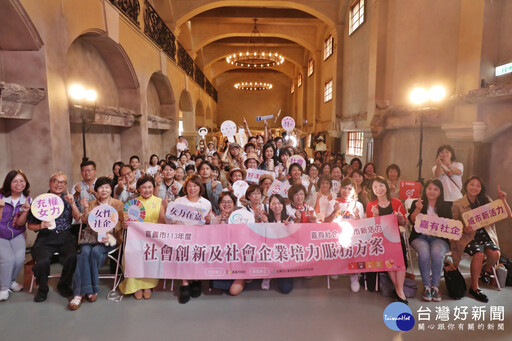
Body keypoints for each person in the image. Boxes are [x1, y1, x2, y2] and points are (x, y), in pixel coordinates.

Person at [451, 176, 511, 302]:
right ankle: (475, 287)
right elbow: (453, 225)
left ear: (481, 188)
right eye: (472, 184)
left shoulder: (486, 200)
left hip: (485, 236)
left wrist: (503, 200)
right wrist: (463, 229)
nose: (474, 187)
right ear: (466, 186)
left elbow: (508, 214)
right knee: (478, 254)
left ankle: (486, 268)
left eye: (478, 185)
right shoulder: (457, 203)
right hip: (468, 238)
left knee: (496, 254)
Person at [68, 176, 125, 310]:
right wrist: (85, 208)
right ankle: (85, 291)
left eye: (107, 187)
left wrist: (109, 231)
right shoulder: (92, 203)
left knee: (95, 252)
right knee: (84, 252)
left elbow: (120, 224)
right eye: (100, 187)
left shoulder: (117, 204)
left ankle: (82, 291)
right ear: (96, 190)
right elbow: (84, 222)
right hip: (91, 238)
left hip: (109, 239)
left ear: (111, 189)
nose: (103, 190)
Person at [27, 172, 81, 302]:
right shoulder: (40, 201)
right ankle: (43, 289)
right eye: (56, 181)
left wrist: (73, 203)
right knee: (42, 261)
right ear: (50, 182)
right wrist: (40, 226)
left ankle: (63, 284)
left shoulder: (69, 198)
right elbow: (30, 225)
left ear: (66, 185)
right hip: (45, 237)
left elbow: (77, 217)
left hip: (65, 236)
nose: (59, 184)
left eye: (62, 182)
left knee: (73, 256)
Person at [119, 175, 165, 300]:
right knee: (132, 252)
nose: (147, 190)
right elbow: (126, 222)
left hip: (153, 239)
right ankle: (136, 286)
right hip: (135, 239)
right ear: (138, 189)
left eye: (150, 187)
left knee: (151, 254)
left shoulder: (159, 201)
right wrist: (125, 225)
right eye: (143, 187)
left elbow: (162, 222)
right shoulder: (133, 203)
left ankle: (148, 285)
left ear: (153, 187)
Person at [168, 175, 212, 304]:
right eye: (189, 186)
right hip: (182, 236)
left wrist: (208, 221)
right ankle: (185, 283)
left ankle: (197, 281)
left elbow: (208, 224)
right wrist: (173, 219)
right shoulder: (179, 201)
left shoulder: (205, 203)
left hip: (200, 236)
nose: (192, 188)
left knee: (197, 254)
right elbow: (169, 220)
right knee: (183, 254)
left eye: (195, 186)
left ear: (200, 188)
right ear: (185, 187)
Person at [408, 179, 452, 302]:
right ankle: (427, 286)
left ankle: (436, 286)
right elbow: (412, 221)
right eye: (429, 188)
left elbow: (449, 225)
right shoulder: (417, 203)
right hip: (419, 237)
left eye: (435, 189)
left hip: (439, 238)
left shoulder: (446, 206)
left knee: (437, 253)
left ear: (440, 192)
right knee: (424, 252)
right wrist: (417, 209)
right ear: (425, 190)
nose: (432, 191)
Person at [366, 176, 408, 304]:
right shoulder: (371, 205)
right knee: (389, 254)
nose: (379, 189)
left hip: (395, 236)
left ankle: (399, 291)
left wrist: (400, 218)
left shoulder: (396, 202)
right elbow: (371, 227)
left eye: (381, 185)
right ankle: (400, 291)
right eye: (375, 187)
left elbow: (403, 224)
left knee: (399, 254)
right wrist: (376, 216)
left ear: (386, 187)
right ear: (372, 190)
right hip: (379, 239)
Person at [0, 170, 31, 301]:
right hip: (1, 234)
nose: (19, 184)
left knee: (19, 259)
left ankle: (11, 281)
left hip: (17, 233)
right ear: (9, 183)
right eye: (15, 181)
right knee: (8, 259)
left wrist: (25, 212)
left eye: (21, 181)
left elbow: (19, 223)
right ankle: (4, 288)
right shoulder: (1, 196)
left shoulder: (28, 200)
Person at [210, 192, 245, 296]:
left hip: (238, 256)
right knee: (220, 290)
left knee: (233, 291)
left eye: (229, 202)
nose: (226, 204)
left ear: (234, 204)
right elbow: (217, 240)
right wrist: (223, 220)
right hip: (222, 257)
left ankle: (244, 277)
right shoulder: (215, 219)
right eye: (223, 202)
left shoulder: (241, 217)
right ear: (219, 204)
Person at [333, 178, 364, 292]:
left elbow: (362, 225)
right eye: (344, 188)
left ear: (355, 191)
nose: (346, 191)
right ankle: (336, 267)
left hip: (353, 235)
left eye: (350, 189)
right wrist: (334, 213)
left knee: (353, 246)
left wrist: (356, 217)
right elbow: (327, 222)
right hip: (336, 233)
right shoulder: (334, 202)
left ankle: (354, 276)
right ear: (340, 188)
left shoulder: (358, 205)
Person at [260, 194, 294, 293]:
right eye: (273, 204)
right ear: (270, 206)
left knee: (286, 289)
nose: (277, 206)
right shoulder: (266, 219)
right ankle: (267, 276)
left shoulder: (289, 219)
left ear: (283, 205)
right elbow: (263, 238)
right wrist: (265, 223)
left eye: (279, 203)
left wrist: (289, 228)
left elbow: (294, 240)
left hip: (284, 255)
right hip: (270, 253)